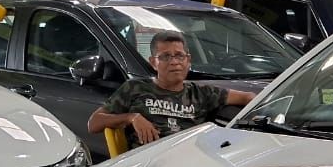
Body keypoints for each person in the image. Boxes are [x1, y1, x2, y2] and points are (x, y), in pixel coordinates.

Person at [87, 31, 256, 145]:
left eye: (179, 56)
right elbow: (94, 123)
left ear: (188, 60)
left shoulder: (202, 93)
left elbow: (249, 97)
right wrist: (131, 117)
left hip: (189, 161)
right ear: (153, 62)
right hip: (146, 165)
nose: (174, 62)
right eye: (165, 57)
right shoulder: (135, 88)